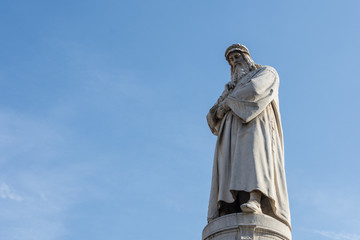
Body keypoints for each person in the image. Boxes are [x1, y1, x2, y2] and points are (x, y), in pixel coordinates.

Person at [206, 44, 291, 229]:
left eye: (237, 57)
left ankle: (255, 198)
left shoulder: (266, 72)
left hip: (254, 125)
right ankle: (229, 205)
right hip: (230, 134)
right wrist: (224, 104)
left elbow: (254, 91)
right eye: (231, 60)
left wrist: (228, 102)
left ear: (246, 57)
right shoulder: (230, 88)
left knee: (254, 160)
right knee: (229, 166)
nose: (235, 61)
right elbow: (212, 115)